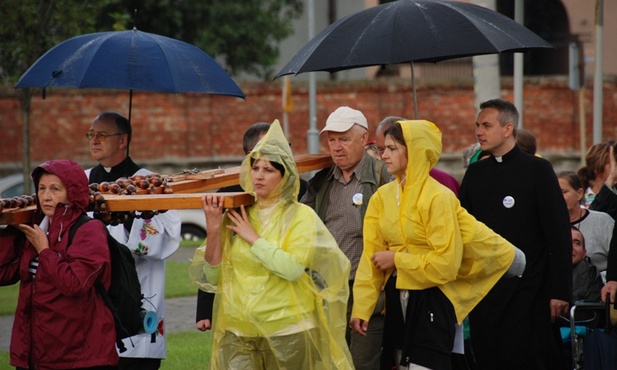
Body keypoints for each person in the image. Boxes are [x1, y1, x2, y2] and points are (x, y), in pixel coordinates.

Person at [350, 120, 521, 370]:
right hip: (397, 296)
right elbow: (371, 257)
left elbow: (446, 264)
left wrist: (397, 259)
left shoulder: (439, 197)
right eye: (383, 148)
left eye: (392, 148)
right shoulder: (381, 198)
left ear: (414, 151)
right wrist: (362, 307)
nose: (384, 155)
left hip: (432, 299)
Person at [189, 120, 353, 369]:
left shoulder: (301, 216)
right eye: (255, 168)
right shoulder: (238, 213)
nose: (259, 176)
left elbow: (293, 268)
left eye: (268, 170)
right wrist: (213, 229)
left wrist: (253, 239)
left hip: (287, 329)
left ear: (284, 175)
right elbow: (212, 276)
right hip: (238, 330)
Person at [458, 98, 572, 370]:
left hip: (530, 291)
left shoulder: (537, 171)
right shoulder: (475, 173)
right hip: (486, 290)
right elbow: (462, 229)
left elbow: (558, 234)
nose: (479, 132)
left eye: (486, 125)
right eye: (477, 125)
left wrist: (560, 291)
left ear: (508, 129)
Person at [0, 160, 118, 369]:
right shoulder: (36, 229)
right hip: (34, 355)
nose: (46, 196)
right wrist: (10, 229)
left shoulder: (89, 230)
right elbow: (4, 273)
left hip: (79, 357)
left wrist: (45, 251)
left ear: (71, 193)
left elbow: (74, 283)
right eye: (42, 188)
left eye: (55, 189)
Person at [85, 112, 181, 370]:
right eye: (91, 135)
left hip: (138, 288)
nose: (94, 140)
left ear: (122, 140)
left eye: (102, 135)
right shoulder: (79, 182)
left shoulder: (151, 183)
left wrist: (129, 218)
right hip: (91, 297)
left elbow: (169, 236)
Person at [194, 121, 307, 332]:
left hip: (286, 311)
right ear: (249, 156)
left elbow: (299, 263)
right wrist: (204, 309)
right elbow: (216, 249)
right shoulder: (230, 195)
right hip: (242, 312)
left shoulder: (303, 193)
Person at [301, 106, 391, 370]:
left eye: (344, 139)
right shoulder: (321, 181)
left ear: (364, 140)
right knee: (328, 362)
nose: (337, 147)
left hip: (368, 290)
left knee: (363, 363)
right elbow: (300, 223)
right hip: (328, 289)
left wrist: (390, 288)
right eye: (332, 140)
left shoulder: (383, 176)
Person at [375, 116, 460, 195]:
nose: (384, 156)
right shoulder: (382, 194)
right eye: (381, 149)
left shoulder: (441, 186)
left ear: (411, 148)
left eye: (392, 148)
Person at [557, 170, 614, 280]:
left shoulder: (602, 221)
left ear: (579, 193)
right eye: (553, 192)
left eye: (563, 192)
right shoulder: (546, 225)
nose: (557, 197)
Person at [570, 226, 603, 303]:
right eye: (566, 241)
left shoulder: (591, 273)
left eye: (577, 243)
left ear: (584, 253)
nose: (571, 248)